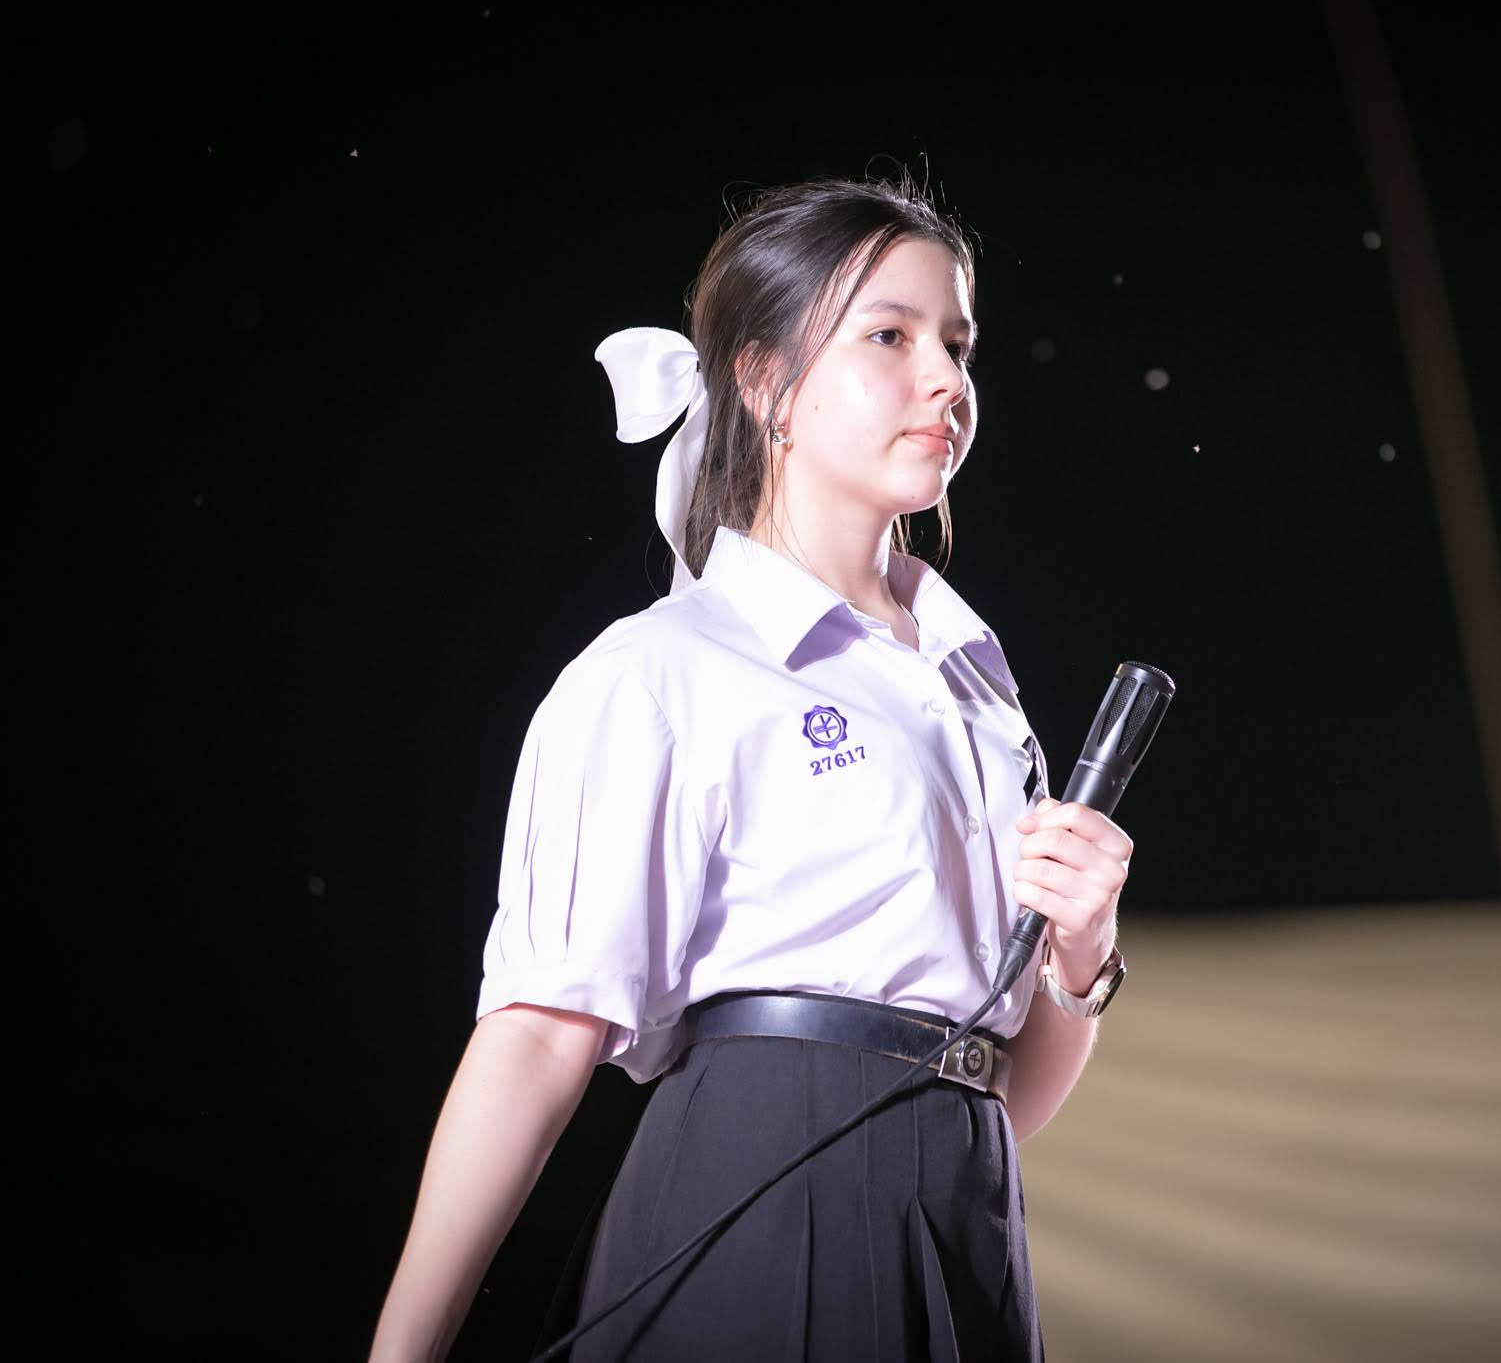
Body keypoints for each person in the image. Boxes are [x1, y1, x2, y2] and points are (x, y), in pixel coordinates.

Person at [369, 177, 1135, 1362]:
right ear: (766, 382)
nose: (946, 379)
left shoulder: (978, 691)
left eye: (956, 343)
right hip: (762, 1201)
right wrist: (402, 1351)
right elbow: (535, 1036)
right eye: (889, 336)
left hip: (964, 1227)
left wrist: (1080, 959)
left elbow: (993, 1091)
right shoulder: (663, 670)